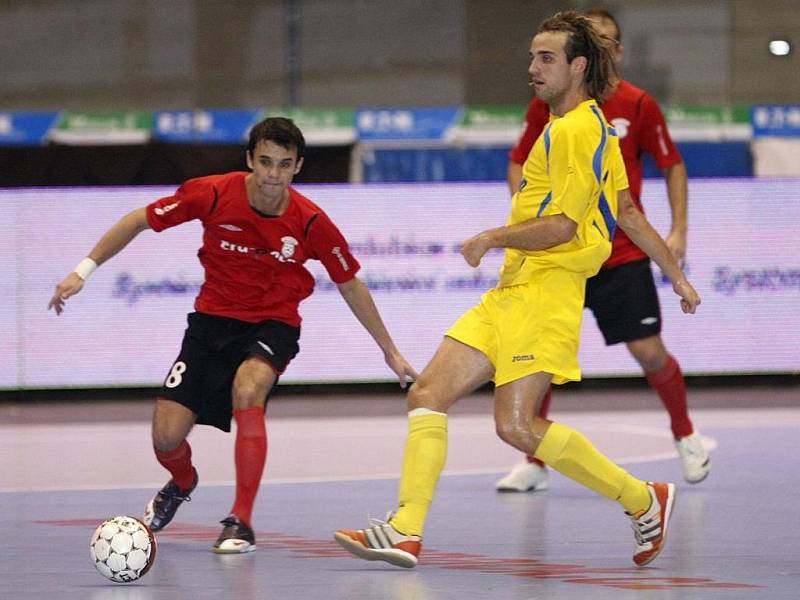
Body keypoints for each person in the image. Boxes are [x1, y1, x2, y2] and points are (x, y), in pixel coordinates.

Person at [333, 11, 700, 569]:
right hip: (515, 288)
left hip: (547, 292)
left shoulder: (578, 129)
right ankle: (405, 529)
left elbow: (563, 226)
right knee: (428, 394)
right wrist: (673, 272)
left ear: (577, 66)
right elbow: (624, 209)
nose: (532, 67)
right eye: (532, 56)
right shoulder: (583, 121)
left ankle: (641, 498)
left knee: (517, 426)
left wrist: (492, 235)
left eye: (545, 58)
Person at [48, 117, 418, 554]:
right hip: (211, 324)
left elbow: (350, 283)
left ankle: (240, 521)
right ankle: (183, 481)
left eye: (283, 165)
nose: (272, 175)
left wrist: (390, 353)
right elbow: (137, 221)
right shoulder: (213, 193)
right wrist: (82, 271)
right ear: (249, 160)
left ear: (298, 166)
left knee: (249, 389)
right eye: (264, 163)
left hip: (273, 324)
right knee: (165, 438)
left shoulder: (311, 221)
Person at [496, 8, 709, 494]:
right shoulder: (548, 106)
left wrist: (677, 241)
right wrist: (532, 224)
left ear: (616, 51)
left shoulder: (634, 105)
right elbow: (519, 165)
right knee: (537, 361)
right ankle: (535, 461)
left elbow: (649, 187)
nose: (605, 50)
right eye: (597, 42)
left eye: (611, 42)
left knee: (649, 352)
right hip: (560, 260)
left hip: (618, 257)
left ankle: (684, 433)